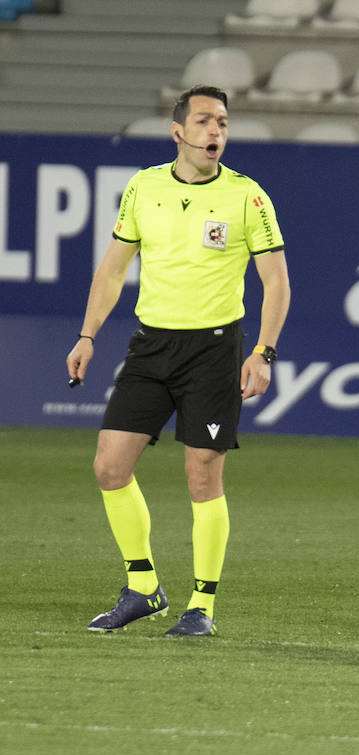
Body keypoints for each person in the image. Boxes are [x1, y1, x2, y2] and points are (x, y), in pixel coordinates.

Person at [66, 85, 291, 637]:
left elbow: (276, 281)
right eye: (205, 121)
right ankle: (143, 587)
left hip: (214, 350)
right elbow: (114, 268)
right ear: (178, 132)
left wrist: (263, 352)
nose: (216, 132)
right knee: (109, 466)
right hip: (150, 346)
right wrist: (87, 335)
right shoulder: (144, 188)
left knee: (202, 475)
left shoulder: (248, 197)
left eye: (223, 122)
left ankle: (202, 607)